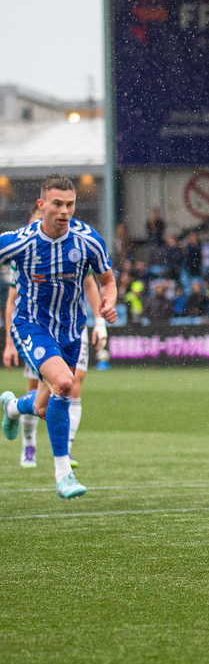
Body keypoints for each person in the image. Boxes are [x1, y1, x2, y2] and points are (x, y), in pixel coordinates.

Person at [1, 176, 117, 499]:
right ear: (42, 206)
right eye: (57, 204)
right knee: (65, 385)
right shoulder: (20, 242)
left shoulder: (88, 240)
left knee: (42, 406)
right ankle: (63, 473)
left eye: (70, 204)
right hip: (31, 326)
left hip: (70, 332)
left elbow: (107, 280)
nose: (65, 211)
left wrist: (108, 305)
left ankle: (11, 408)